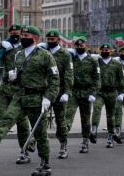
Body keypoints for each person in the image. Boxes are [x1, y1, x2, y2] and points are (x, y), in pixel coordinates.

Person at [0, 25, 60, 176]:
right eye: (22, 35)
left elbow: (54, 78)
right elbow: (19, 75)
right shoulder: (18, 55)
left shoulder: (45, 55)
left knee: (40, 133)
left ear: (35, 38)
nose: (23, 37)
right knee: (6, 118)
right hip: (20, 95)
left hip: (38, 98)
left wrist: (49, 98)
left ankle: (45, 164)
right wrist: (14, 76)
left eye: (27, 35)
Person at [0, 24, 32, 165]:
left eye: (18, 33)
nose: (15, 36)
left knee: (21, 121)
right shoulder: (6, 45)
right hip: (6, 87)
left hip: (20, 88)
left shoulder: (27, 48)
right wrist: (1, 44)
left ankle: (25, 150)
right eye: (12, 33)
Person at [65, 36, 101, 153]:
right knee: (68, 116)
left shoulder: (92, 61)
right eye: (77, 46)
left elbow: (97, 79)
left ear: (86, 46)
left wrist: (93, 93)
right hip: (74, 92)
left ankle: (85, 141)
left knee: (85, 119)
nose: (79, 48)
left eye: (81, 46)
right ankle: (63, 141)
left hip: (86, 93)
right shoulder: (72, 59)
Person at [43, 29, 74, 159]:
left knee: (60, 120)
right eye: (48, 39)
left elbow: (69, 75)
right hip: (45, 91)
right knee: (41, 118)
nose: (50, 41)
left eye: (53, 39)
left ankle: (63, 145)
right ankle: (39, 143)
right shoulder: (43, 53)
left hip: (60, 91)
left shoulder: (65, 55)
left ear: (58, 40)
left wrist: (67, 92)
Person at [90, 43, 124, 148]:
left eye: (107, 50)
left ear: (111, 51)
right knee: (96, 109)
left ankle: (110, 137)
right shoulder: (97, 62)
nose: (105, 51)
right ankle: (94, 130)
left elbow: (122, 78)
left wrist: (122, 92)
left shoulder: (117, 64)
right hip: (99, 92)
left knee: (111, 115)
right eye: (103, 50)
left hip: (112, 92)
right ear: (100, 51)